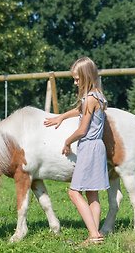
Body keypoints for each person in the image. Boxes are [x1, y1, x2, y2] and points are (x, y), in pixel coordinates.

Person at [44, 57, 109, 245]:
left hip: (89, 147)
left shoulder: (89, 99)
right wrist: (62, 117)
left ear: (86, 76)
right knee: (92, 194)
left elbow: (82, 130)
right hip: (99, 147)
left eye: (77, 79)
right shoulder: (98, 95)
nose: (75, 82)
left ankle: (94, 235)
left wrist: (67, 141)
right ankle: (94, 235)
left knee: (73, 193)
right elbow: (79, 110)